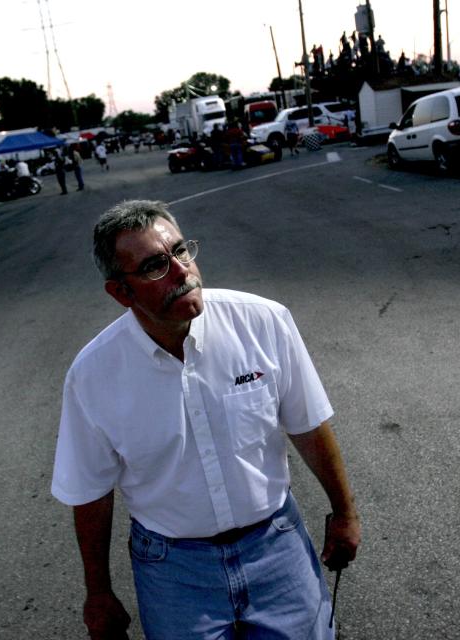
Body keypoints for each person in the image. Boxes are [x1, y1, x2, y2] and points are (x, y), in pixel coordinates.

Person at [52, 200, 361, 640]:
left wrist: (345, 512)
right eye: (156, 266)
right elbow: (91, 492)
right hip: (173, 571)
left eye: (181, 251)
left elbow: (308, 424)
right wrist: (98, 593)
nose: (181, 272)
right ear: (122, 292)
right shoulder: (92, 375)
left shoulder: (263, 321)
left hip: (277, 545)